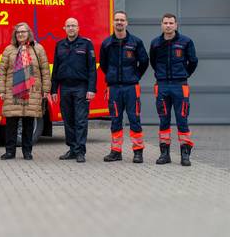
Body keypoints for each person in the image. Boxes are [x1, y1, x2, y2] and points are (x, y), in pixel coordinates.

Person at [99, 11, 149, 163]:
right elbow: (103, 65)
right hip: (114, 88)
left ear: (127, 23)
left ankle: (138, 151)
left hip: (131, 87)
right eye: (117, 20)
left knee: (134, 119)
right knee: (115, 120)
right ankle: (116, 151)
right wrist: (112, 76)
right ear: (113, 23)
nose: (119, 22)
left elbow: (144, 62)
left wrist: (135, 76)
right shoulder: (107, 43)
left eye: (122, 20)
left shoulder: (136, 42)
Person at [0, 22, 51, 160]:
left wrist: (46, 89)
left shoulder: (38, 49)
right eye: (18, 32)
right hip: (12, 91)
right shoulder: (9, 50)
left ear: (29, 33)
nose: (20, 34)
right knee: (11, 124)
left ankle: (27, 152)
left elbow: (45, 70)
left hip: (32, 91)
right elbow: (2, 71)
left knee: (28, 122)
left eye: (23, 32)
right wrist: (1, 90)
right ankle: (10, 152)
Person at [150, 13, 198, 166]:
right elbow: (153, 62)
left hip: (180, 85)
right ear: (161, 25)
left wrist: (184, 74)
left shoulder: (186, 42)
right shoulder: (156, 43)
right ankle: (164, 154)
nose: (168, 25)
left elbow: (193, 61)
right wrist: (162, 76)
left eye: (171, 23)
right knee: (163, 119)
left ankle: (185, 154)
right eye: (165, 23)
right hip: (162, 85)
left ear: (176, 25)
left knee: (182, 119)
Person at [51, 18, 96, 163]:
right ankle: (72, 149)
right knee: (68, 120)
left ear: (78, 28)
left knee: (80, 120)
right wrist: (53, 90)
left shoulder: (86, 44)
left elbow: (92, 69)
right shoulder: (60, 45)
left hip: (81, 87)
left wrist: (91, 89)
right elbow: (56, 69)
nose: (71, 28)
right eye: (68, 26)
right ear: (64, 28)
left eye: (73, 26)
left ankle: (80, 151)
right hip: (64, 87)